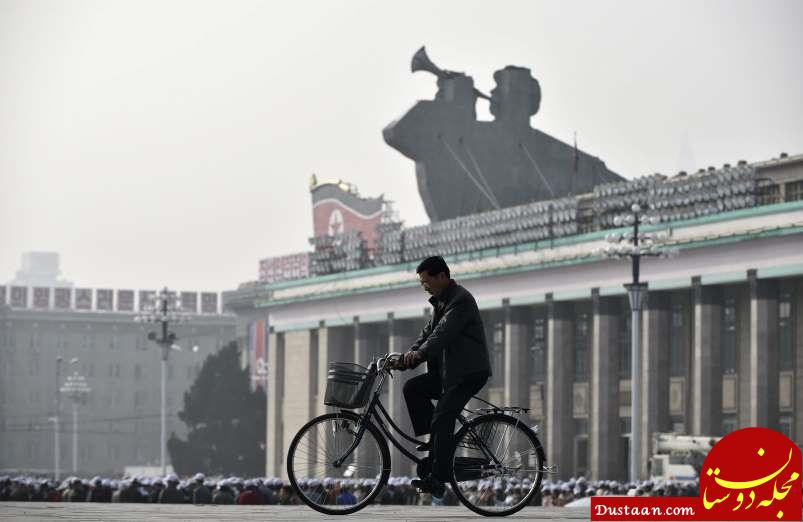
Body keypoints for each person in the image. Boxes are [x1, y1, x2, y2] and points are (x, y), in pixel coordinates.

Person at [395, 256, 491, 498]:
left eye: (427, 281)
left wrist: (419, 354)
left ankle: (439, 477)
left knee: (442, 418)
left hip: (467, 374)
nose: (424, 286)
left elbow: (441, 335)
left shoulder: (460, 301)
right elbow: (427, 334)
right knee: (413, 388)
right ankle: (436, 443)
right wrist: (406, 358)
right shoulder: (441, 302)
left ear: (442, 276)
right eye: (421, 283)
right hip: (449, 374)